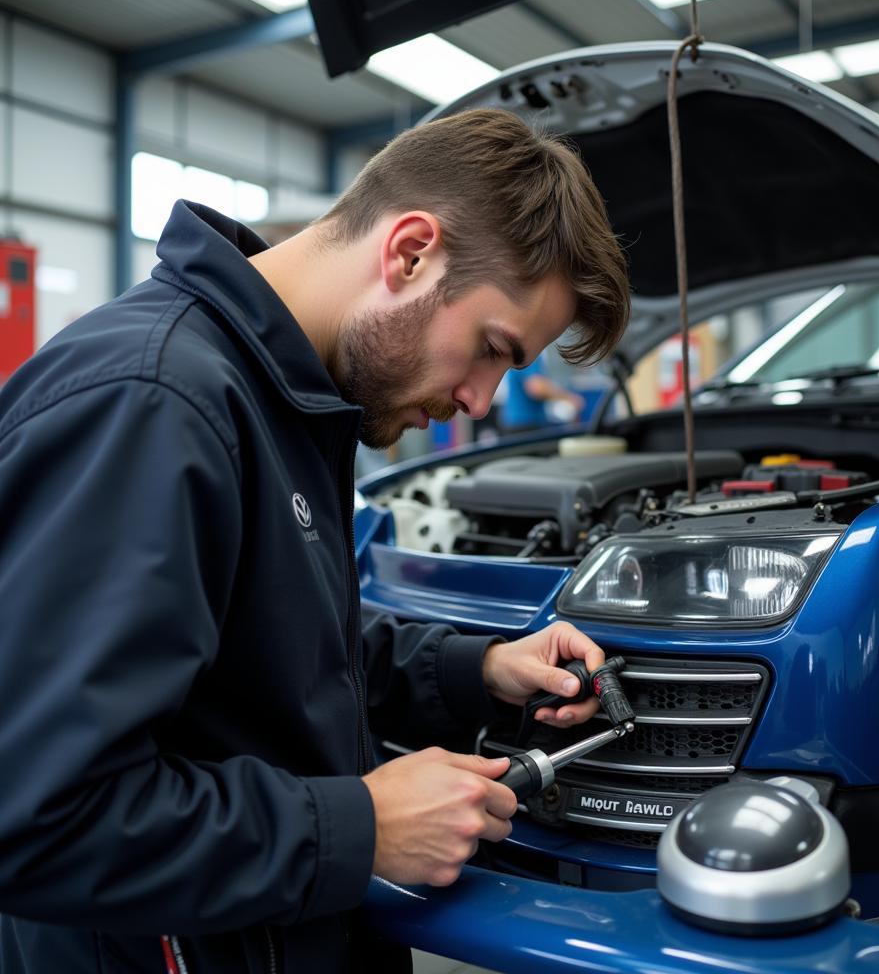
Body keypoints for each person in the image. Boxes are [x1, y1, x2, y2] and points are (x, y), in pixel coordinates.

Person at [0, 109, 630, 973]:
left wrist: (476, 670)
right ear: (410, 253)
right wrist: (359, 829)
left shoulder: (287, 404)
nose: (482, 401)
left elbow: (266, 658)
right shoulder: (157, 407)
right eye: (490, 349)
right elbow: (37, 816)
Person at [500, 349, 587, 433]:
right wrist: (570, 398)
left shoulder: (522, 353)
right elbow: (536, 387)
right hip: (525, 425)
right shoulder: (529, 353)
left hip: (518, 423)